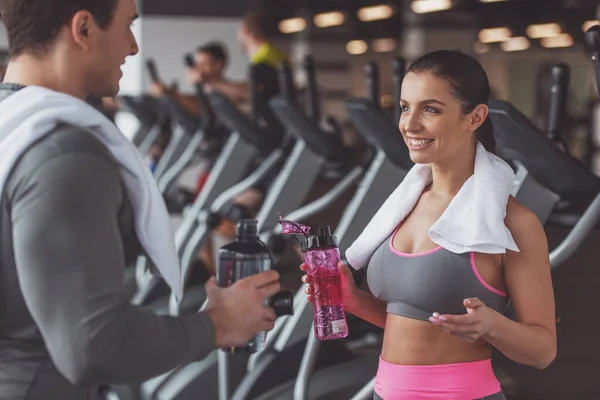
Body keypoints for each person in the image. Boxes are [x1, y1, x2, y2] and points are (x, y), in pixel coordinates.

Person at [0, 0, 282, 399]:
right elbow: (93, 345)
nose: (132, 47)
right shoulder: (64, 153)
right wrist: (218, 323)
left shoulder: (11, 123)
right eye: (127, 25)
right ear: (83, 29)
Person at [301, 50, 557, 400]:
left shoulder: (513, 223)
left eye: (430, 109)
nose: (410, 124)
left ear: (475, 117)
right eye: (406, 107)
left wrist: (492, 325)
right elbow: (417, 322)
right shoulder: (404, 206)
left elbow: (543, 351)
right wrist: (355, 300)